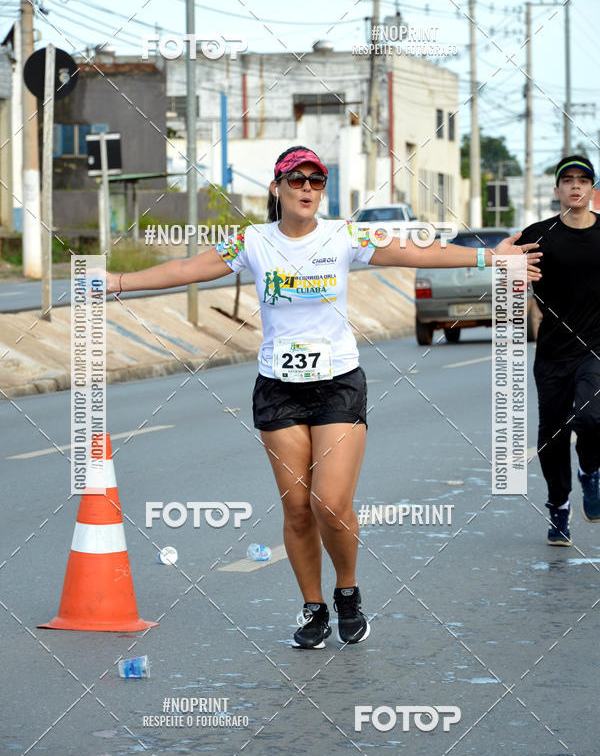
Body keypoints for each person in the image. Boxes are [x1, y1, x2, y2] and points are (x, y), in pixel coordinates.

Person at [106, 145, 541, 648]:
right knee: (296, 510)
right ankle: (313, 608)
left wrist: (490, 256)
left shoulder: (344, 236)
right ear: (278, 188)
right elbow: (186, 269)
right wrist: (118, 282)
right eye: (297, 180)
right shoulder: (253, 241)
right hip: (278, 390)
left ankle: (348, 591)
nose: (308, 189)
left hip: (337, 384)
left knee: (330, 504)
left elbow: (414, 251)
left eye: (317, 181)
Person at [516, 155, 600, 546]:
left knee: (590, 418)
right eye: (568, 180)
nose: (575, 186)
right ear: (557, 190)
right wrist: (513, 274)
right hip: (552, 352)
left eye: (583, 179)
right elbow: (504, 270)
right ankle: (559, 509)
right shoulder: (537, 235)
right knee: (552, 434)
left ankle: (591, 471)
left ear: (592, 188)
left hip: (595, 350)